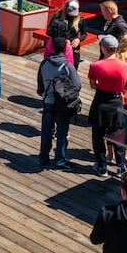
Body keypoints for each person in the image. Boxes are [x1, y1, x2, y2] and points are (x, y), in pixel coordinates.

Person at [88, 35, 127, 177]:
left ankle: (102, 166)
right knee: (118, 135)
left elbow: (93, 84)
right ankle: (121, 167)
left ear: (103, 48)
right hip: (116, 101)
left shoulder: (95, 65)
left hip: (101, 101)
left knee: (98, 135)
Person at [36, 37, 82, 169]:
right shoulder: (67, 66)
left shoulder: (44, 63)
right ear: (64, 49)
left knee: (46, 131)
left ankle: (43, 157)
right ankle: (59, 160)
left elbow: (40, 87)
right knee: (61, 133)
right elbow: (78, 85)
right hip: (63, 104)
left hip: (48, 102)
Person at [45, 0, 87, 68]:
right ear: (66, 8)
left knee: (73, 68)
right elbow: (49, 31)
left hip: (73, 46)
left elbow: (84, 34)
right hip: (59, 47)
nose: (72, 15)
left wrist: (78, 40)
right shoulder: (57, 16)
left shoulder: (80, 19)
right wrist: (62, 40)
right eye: (70, 12)